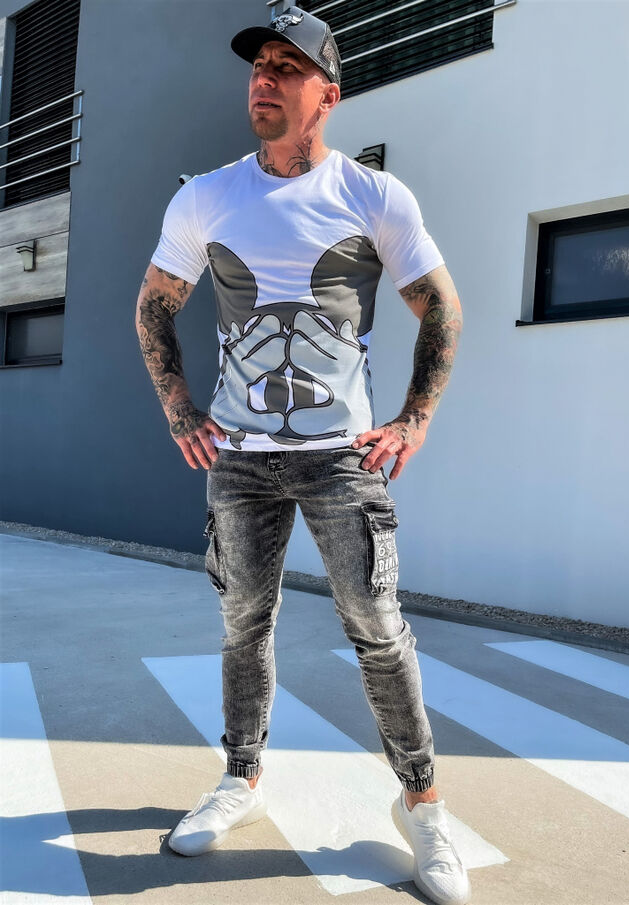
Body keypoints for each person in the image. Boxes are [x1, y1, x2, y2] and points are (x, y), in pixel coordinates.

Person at [135, 6, 468, 904]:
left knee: (377, 627)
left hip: (340, 459)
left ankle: (424, 804)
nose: (264, 79)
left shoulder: (374, 196)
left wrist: (413, 420)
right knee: (244, 622)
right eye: (259, 66)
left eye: (287, 66)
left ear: (329, 93)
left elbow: (440, 304)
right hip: (239, 459)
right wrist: (179, 408)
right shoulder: (206, 197)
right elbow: (155, 302)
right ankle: (240, 776)